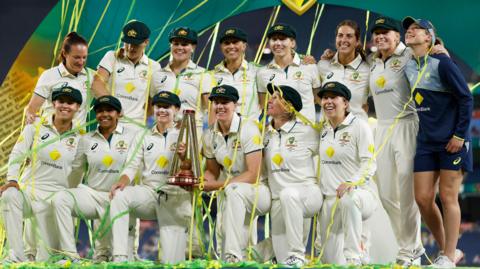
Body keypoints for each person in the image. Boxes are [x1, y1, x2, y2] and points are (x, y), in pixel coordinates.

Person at [403, 17, 473, 268]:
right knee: (422, 198)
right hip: (425, 142)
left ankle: (448, 255)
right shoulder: (409, 64)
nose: (410, 31)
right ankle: (448, 250)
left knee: (447, 196)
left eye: (416, 29)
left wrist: (459, 136)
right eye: (408, 29)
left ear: (429, 37)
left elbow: (466, 98)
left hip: (451, 141)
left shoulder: (442, 63)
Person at [0, 86, 83, 262]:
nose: (65, 106)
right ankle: (16, 255)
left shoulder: (80, 137)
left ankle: (46, 254)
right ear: (54, 103)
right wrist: (13, 180)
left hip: (54, 199)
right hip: (29, 193)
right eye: (61, 101)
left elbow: (79, 170)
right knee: (8, 195)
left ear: (78, 107)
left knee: (47, 259)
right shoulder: (35, 127)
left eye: (70, 103)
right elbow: (17, 153)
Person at [109, 91, 192, 263]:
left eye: (166, 107)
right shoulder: (143, 136)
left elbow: (193, 172)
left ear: (176, 109)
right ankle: (120, 256)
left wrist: (184, 159)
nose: (161, 110)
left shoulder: (185, 135)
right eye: (158, 106)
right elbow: (131, 167)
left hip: (174, 197)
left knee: (172, 262)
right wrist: (122, 181)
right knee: (119, 195)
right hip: (149, 193)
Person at [52, 95, 135, 264]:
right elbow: (76, 170)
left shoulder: (133, 135)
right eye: (100, 111)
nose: (104, 114)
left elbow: (136, 165)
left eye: (109, 110)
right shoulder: (87, 139)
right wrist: (69, 190)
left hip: (121, 198)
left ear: (118, 113)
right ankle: (70, 256)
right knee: (60, 199)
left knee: (123, 258)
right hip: (93, 196)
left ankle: (115, 254)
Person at [368, 16, 424, 266]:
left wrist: (438, 46)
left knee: (406, 192)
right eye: (376, 33)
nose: (380, 37)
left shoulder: (409, 55)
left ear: (397, 37)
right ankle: (412, 247)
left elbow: (429, 52)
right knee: (387, 194)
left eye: (386, 33)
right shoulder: (372, 61)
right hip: (381, 128)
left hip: (406, 126)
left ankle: (408, 250)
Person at [202, 85, 271, 262]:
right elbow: (212, 171)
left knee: (233, 191)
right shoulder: (209, 134)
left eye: (225, 102)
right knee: (226, 234)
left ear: (236, 105)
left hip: (258, 191)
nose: (220, 107)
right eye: (216, 102)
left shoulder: (248, 128)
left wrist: (215, 185)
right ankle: (235, 257)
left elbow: (253, 174)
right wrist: (202, 182)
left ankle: (232, 257)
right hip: (229, 192)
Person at [317, 82, 378, 265]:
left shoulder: (359, 126)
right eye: (324, 98)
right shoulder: (322, 129)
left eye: (333, 97)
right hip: (330, 201)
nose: (328, 101)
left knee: (349, 199)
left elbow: (369, 162)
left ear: (345, 103)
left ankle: (354, 256)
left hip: (360, 195)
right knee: (330, 261)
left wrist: (352, 182)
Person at [263, 84, 322, 267]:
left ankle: (298, 253)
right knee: (283, 261)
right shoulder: (264, 133)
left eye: (275, 97)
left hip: (306, 195)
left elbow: (333, 154)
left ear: (288, 107)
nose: (269, 100)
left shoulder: (307, 131)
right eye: (270, 97)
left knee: (289, 195)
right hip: (279, 202)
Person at [92, 20, 162, 129]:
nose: (130, 47)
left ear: (146, 42)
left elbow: (153, 102)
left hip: (138, 129)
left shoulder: (155, 67)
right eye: (127, 42)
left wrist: (147, 128)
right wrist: (113, 106)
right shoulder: (112, 57)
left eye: (135, 44)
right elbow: (96, 84)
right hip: (111, 126)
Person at [257, 23, 320, 123]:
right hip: (277, 134)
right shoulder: (262, 73)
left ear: (292, 43)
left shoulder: (309, 66)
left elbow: (318, 99)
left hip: (306, 133)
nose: (277, 43)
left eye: (282, 39)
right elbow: (263, 105)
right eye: (274, 39)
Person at [25, 32, 92, 126]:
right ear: (65, 53)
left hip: (77, 138)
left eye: (84, 57)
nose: (81, 62)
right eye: (76, 57)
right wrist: (30, 118)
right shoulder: (49, 75)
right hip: (50, 136)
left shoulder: (91, 76)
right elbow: (31, 109)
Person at [155, 27, 212, 137]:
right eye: (176, 43)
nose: (180, 47)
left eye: (185, 44)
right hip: (162, 133)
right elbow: (150, 107)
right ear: (170, 46)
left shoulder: (203, 74)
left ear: (193, 47)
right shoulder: (158, 75)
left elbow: (211, 109)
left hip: (192, 133)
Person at [317, 20, 370, 121]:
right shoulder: (323, 65)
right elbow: (312, 93)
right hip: (327, 132)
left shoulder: (367, 69)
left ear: (357, 41)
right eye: (340, 35)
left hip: (357, 131)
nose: (343, 40)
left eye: (349, 36)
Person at [212, 27, 263, 119]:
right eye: (227, 43)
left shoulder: (258, 72)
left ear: (244, 46)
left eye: (235, 42)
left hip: (250, 130)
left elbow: (265, 103)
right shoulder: (212, 75)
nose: (231, 46)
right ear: (221, 47)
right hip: (221, 131)